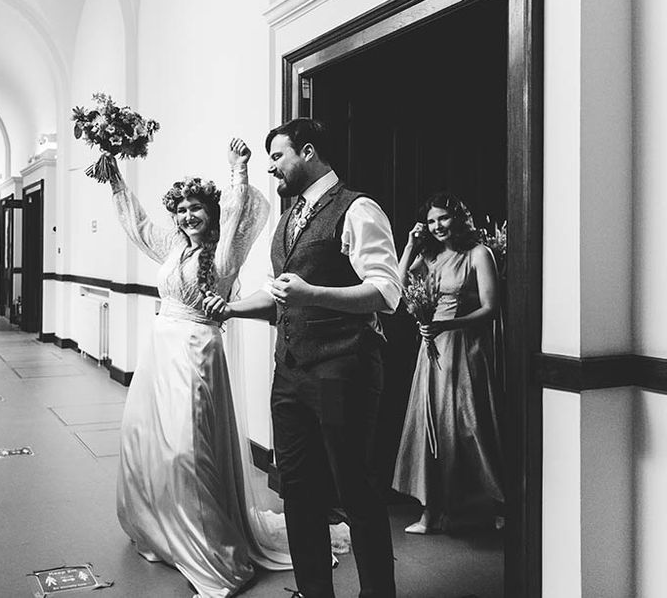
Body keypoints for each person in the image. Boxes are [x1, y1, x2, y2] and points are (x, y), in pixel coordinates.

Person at [203, 118, 401, 598]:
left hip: (345, 370)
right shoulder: (290, 217)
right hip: (290, 372)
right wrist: (230, 307)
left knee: (357, 491)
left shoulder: (358, 209)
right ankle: (315, 591)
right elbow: (283, 299)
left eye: (277, 156)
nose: (272, 167)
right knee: (298, 491)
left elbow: (386, 290)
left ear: (307, 152)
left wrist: (313, 293)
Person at [108, 138, 291, 598]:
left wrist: (238, 170)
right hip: (160, 353)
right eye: (182, 209)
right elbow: (139, 226)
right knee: (146, 442)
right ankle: (164, 530)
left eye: (197, 209)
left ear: (210, 213)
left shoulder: (222, 254)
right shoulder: (172, 247)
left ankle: (209, 548)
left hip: (195, 353)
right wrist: (114, 178)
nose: (188, 216)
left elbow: (238, 214)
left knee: (189, 452)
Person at [392, 192, 504, 534]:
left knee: (471, 426)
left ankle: (500, 502)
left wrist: (447, 325)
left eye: (443, 218)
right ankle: (431, 511)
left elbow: (491, 308)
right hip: (432, 350)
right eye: (431, 220)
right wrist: (411, 245)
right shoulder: (430, 255)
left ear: (458, 217)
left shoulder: (478, 254)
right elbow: (394, 287)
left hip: (464, 347)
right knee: (429, 427)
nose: (437, 226)